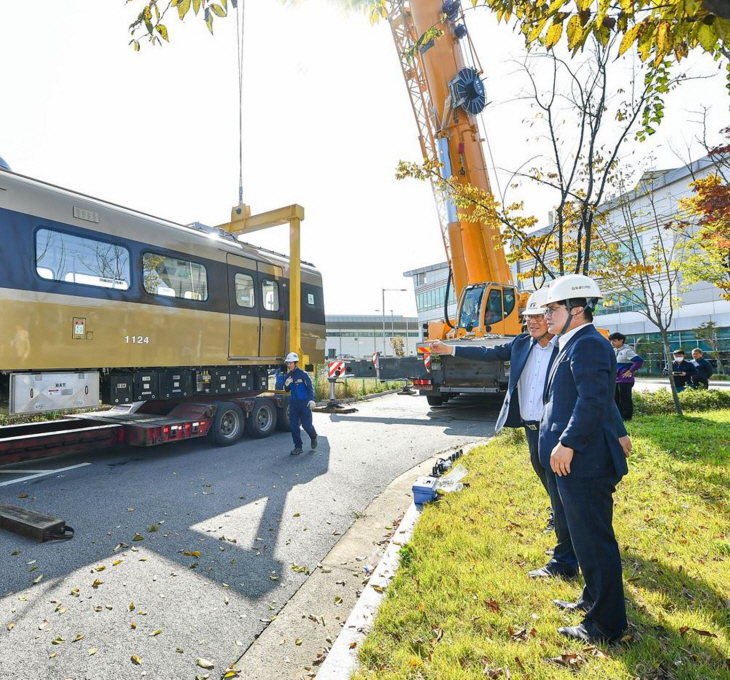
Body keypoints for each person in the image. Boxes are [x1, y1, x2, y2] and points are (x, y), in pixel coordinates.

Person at [540, 274, 629, 644]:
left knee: (594, 540)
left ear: (576, 309)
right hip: (579, 460)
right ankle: (592, 599)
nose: (546, 315)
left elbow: (592, 400)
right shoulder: (574, 341)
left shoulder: (588, 344)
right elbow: (594, 396)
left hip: (585, 461)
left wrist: (568, 442)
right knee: (585, 538)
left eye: (553, 308)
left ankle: (607, 625)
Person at [430, 287, 558, 522]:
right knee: (541, 468)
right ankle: (558, 512)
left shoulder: (562, 348)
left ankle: (562, 518)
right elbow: (489, 353)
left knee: (556, 473)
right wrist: (450, 349)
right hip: (531, 426)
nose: (533, 322)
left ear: (550, 317)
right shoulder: (521, 343)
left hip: (553, 426)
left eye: (538, 317)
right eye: (529, 317)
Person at [282, 352, 317, 456]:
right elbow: (287, 389)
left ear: (295, 363)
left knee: (306, 425)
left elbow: (309, 387)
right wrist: (286, 384)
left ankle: (313, 436)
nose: (289, 365)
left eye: (290, 363)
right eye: (287, 363)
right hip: (294, 404)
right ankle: (298, 447)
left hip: (305, 404)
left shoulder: (303, 374)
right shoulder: (288, 376)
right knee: (293, 426)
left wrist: (311, 399)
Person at [608, 332, 643, 421]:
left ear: (621, 340)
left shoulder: (627, 351)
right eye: (611, 341)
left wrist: (630, 371)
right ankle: (620, 418)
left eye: (614, 341)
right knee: (616, 399)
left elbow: (639, 361)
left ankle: (627, 418)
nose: (612, 343)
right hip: (616, 379)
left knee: (625, 399)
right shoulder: (614, 351)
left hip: (625, 380)